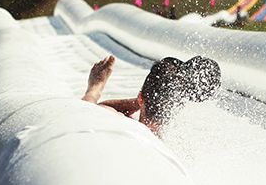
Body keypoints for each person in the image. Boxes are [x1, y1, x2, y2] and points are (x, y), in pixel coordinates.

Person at [82, 54, 221, 135]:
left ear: (140, 97)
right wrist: (144, 101)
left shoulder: (123, 126)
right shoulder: (176, 148)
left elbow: (88, 109)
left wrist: (94, 89)